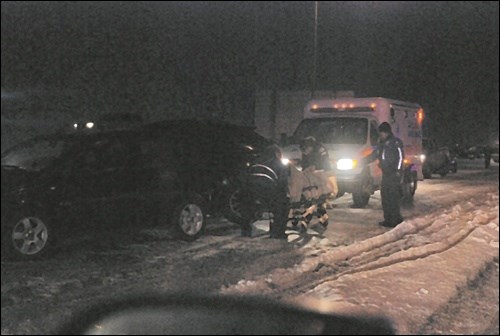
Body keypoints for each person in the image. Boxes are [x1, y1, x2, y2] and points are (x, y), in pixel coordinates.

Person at [240, 145, 289, 239]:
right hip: (267, 191)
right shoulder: (278, 164)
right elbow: (282, 183)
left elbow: (246, 177)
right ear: (277, 154)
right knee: (283, 204)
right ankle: (278, 232)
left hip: (250, 191)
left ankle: (246, 231)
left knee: (246, 206)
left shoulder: (255, 162)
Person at [365, 122, 404, 227]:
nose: (381, 135)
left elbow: (400, 158)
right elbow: (375, 155)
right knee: (385, 197)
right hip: (386, 173)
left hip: (393, 173)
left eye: (382, 133)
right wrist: (363, 161)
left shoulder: (395, 143)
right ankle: (388, 219)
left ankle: (395, 219)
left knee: (393, 197)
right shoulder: (381, 144)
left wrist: (398, 171)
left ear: (387, 132)